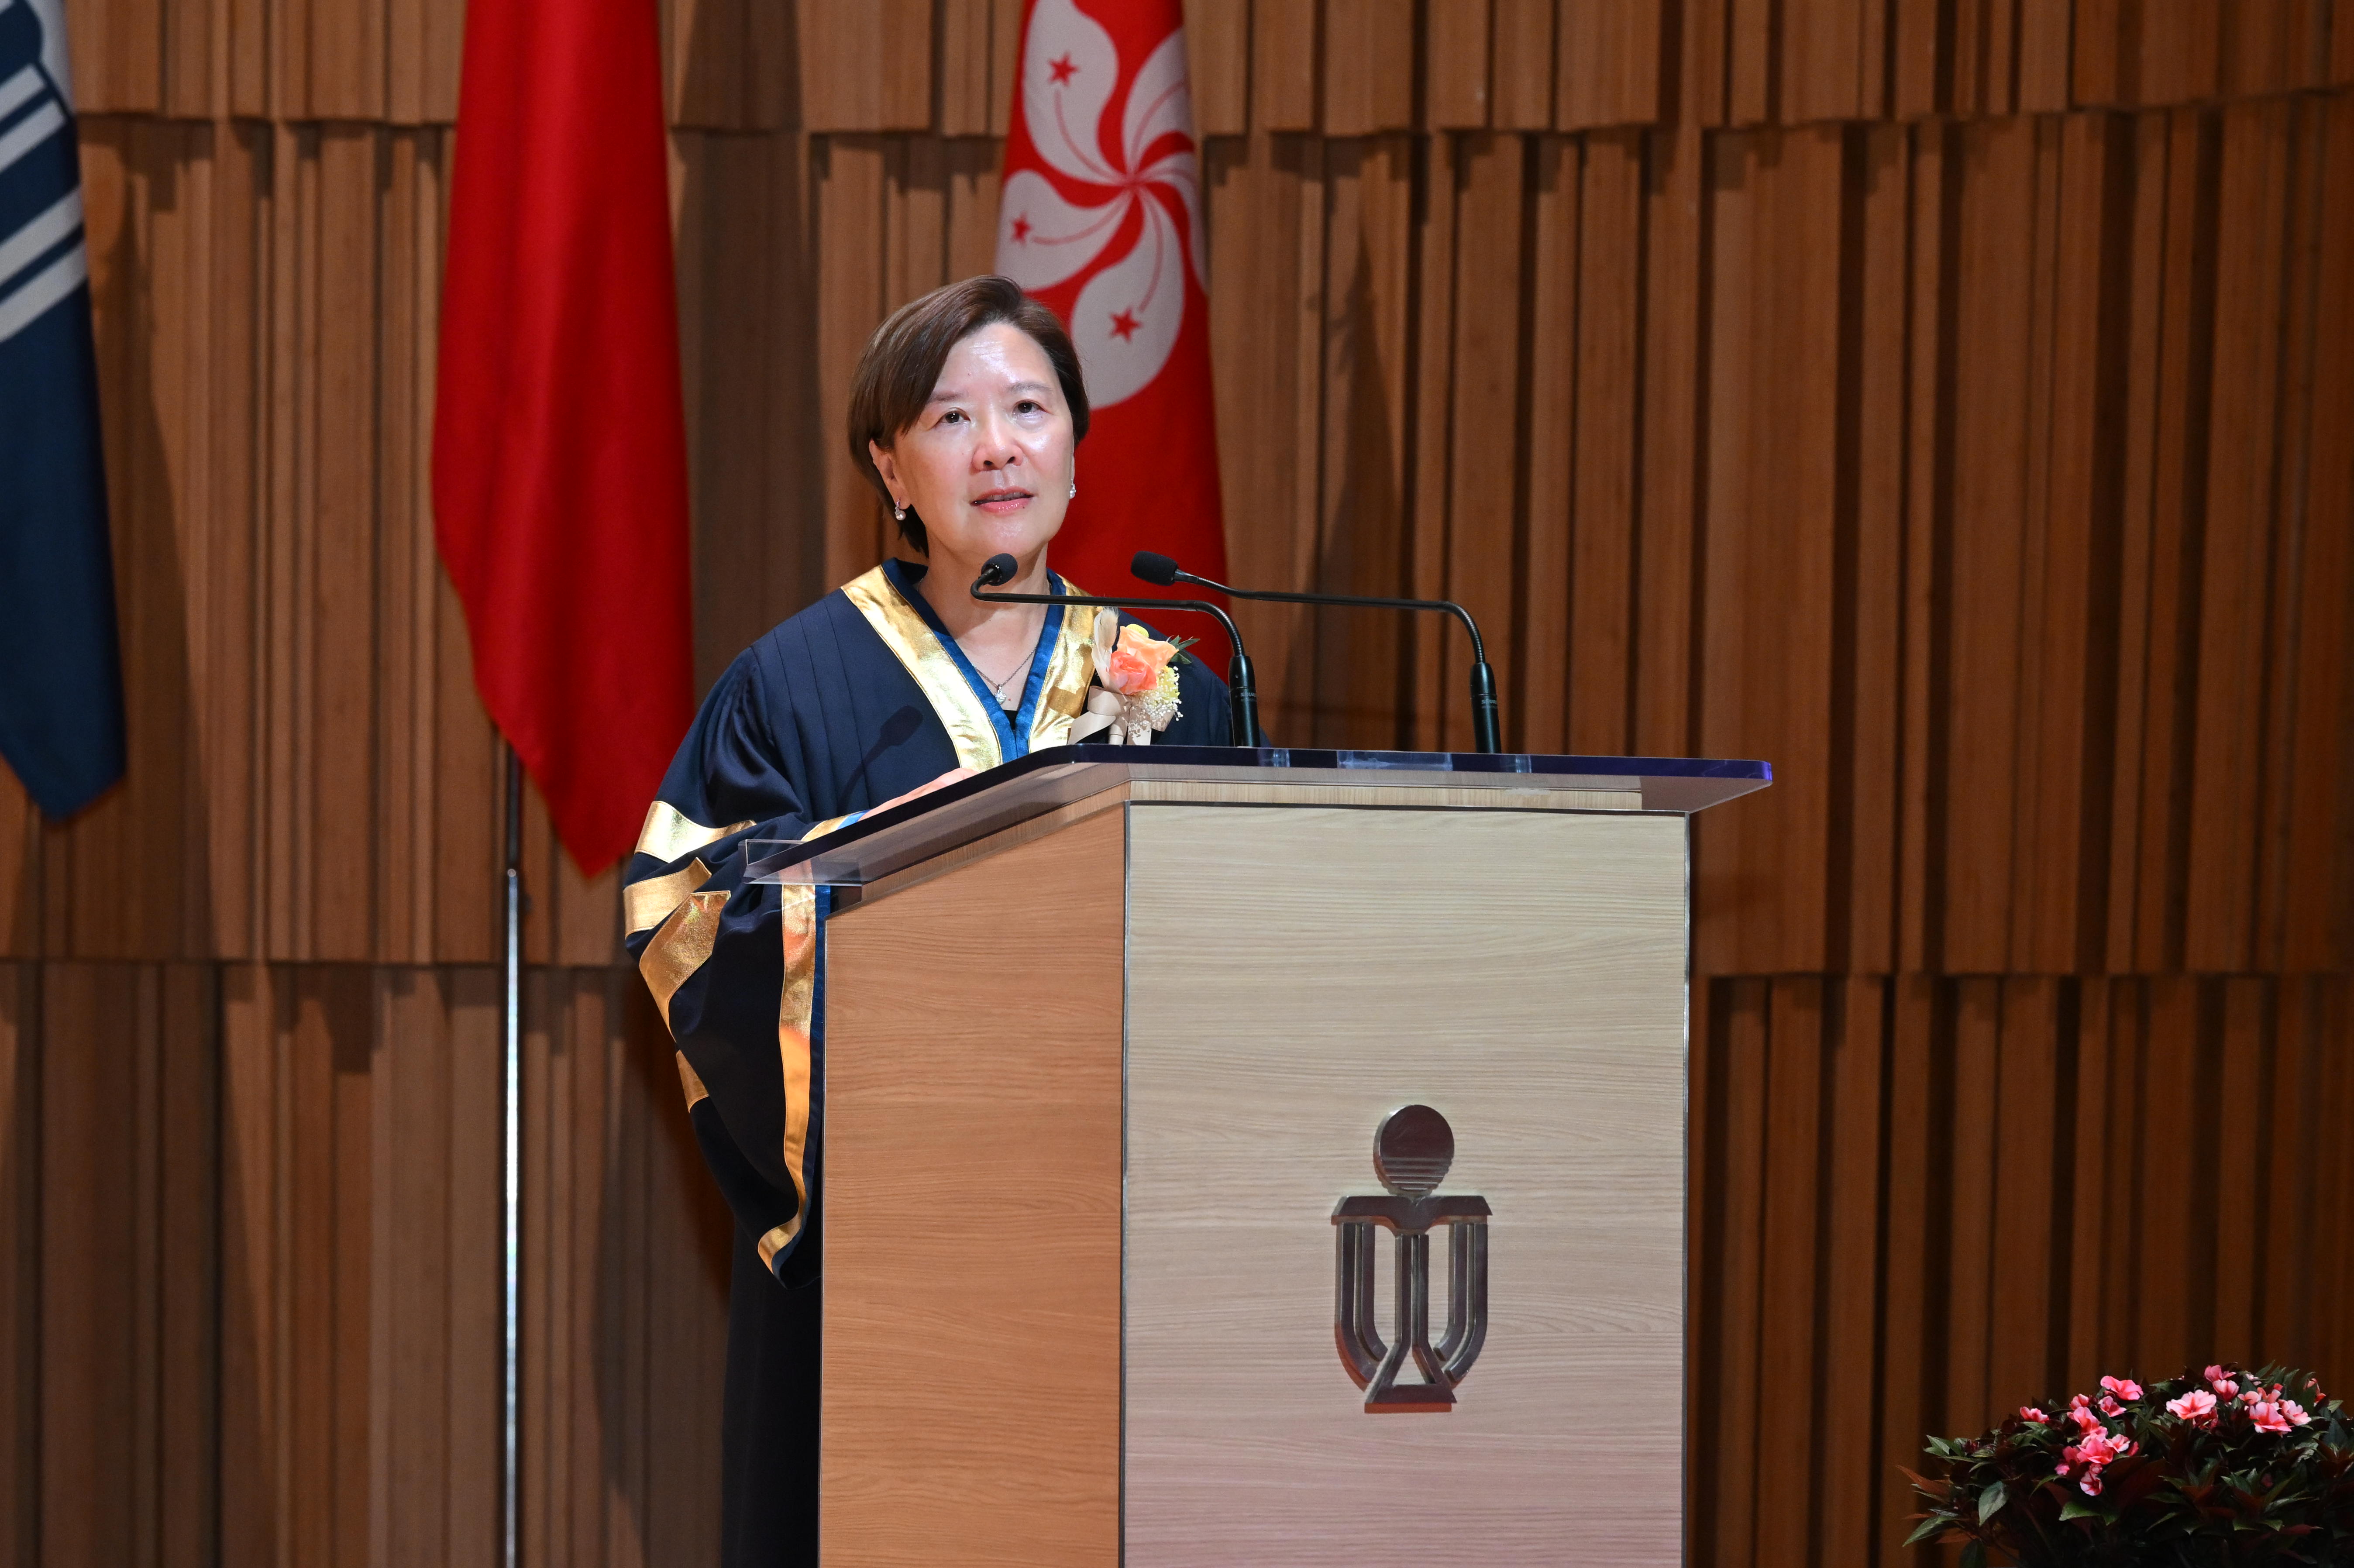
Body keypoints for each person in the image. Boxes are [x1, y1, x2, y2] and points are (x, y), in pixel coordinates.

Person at [622, 275, 1238, 1566]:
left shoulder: (1184, 697)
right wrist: (880, 886)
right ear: (890, 467)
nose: (999, 446)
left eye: (1030, 407)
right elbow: (681, 913)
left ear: (1077, 440)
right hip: (886, 1252)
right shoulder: (792, 687)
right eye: (952, 419)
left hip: (1125, 1252)